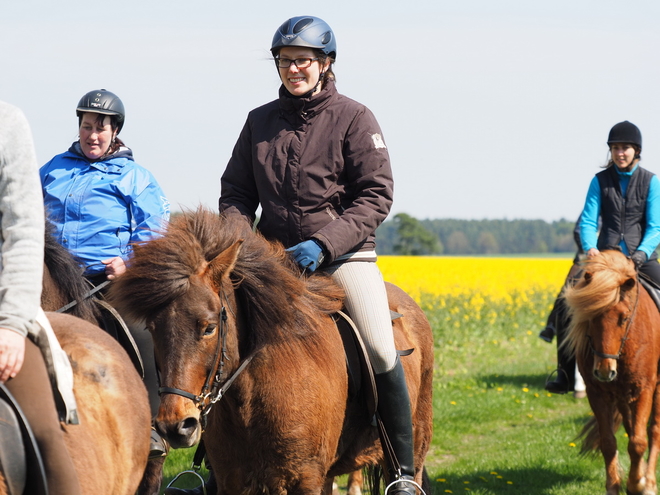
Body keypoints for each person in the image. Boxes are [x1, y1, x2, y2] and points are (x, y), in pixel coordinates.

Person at [197, 15, 412, 495]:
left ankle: (401, 471)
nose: (293, 69)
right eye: (285, 61)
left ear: (325, 63)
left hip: (343, 257)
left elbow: (376, 195)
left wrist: (325, 244)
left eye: (303, 61)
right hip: (270, 262)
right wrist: (243, 246)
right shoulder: (258, 122)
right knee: (221, 342)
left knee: (378, 344)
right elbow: (235, 191)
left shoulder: (355, 117)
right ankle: (210, 468)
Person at [39, 89, 171, 458]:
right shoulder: (52, 168)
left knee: (143, 331)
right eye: (86, 126)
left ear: (115, 132)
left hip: (106, 282)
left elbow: (155, 229)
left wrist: (130, 261)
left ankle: (150, 425)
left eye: (100, 127)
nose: (92, 135)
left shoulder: (135, 177)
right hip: (53, 274)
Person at [0, 100, 82, 494]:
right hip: (62, 265)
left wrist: (13, 325)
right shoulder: (58, 167)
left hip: (7, 308)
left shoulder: (7, 124)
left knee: (45, 438)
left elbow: (24, 230)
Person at [579, 121, 660, 284]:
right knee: (572, 296)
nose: (620, 153)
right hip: (606, 257)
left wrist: (641, 253)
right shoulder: (599, 181)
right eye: (615, 148)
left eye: (625, 148)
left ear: (637, 150)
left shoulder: (651, 181)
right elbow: (588, 222)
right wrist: (590, 248)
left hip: (641, 258)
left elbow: (655, 226)